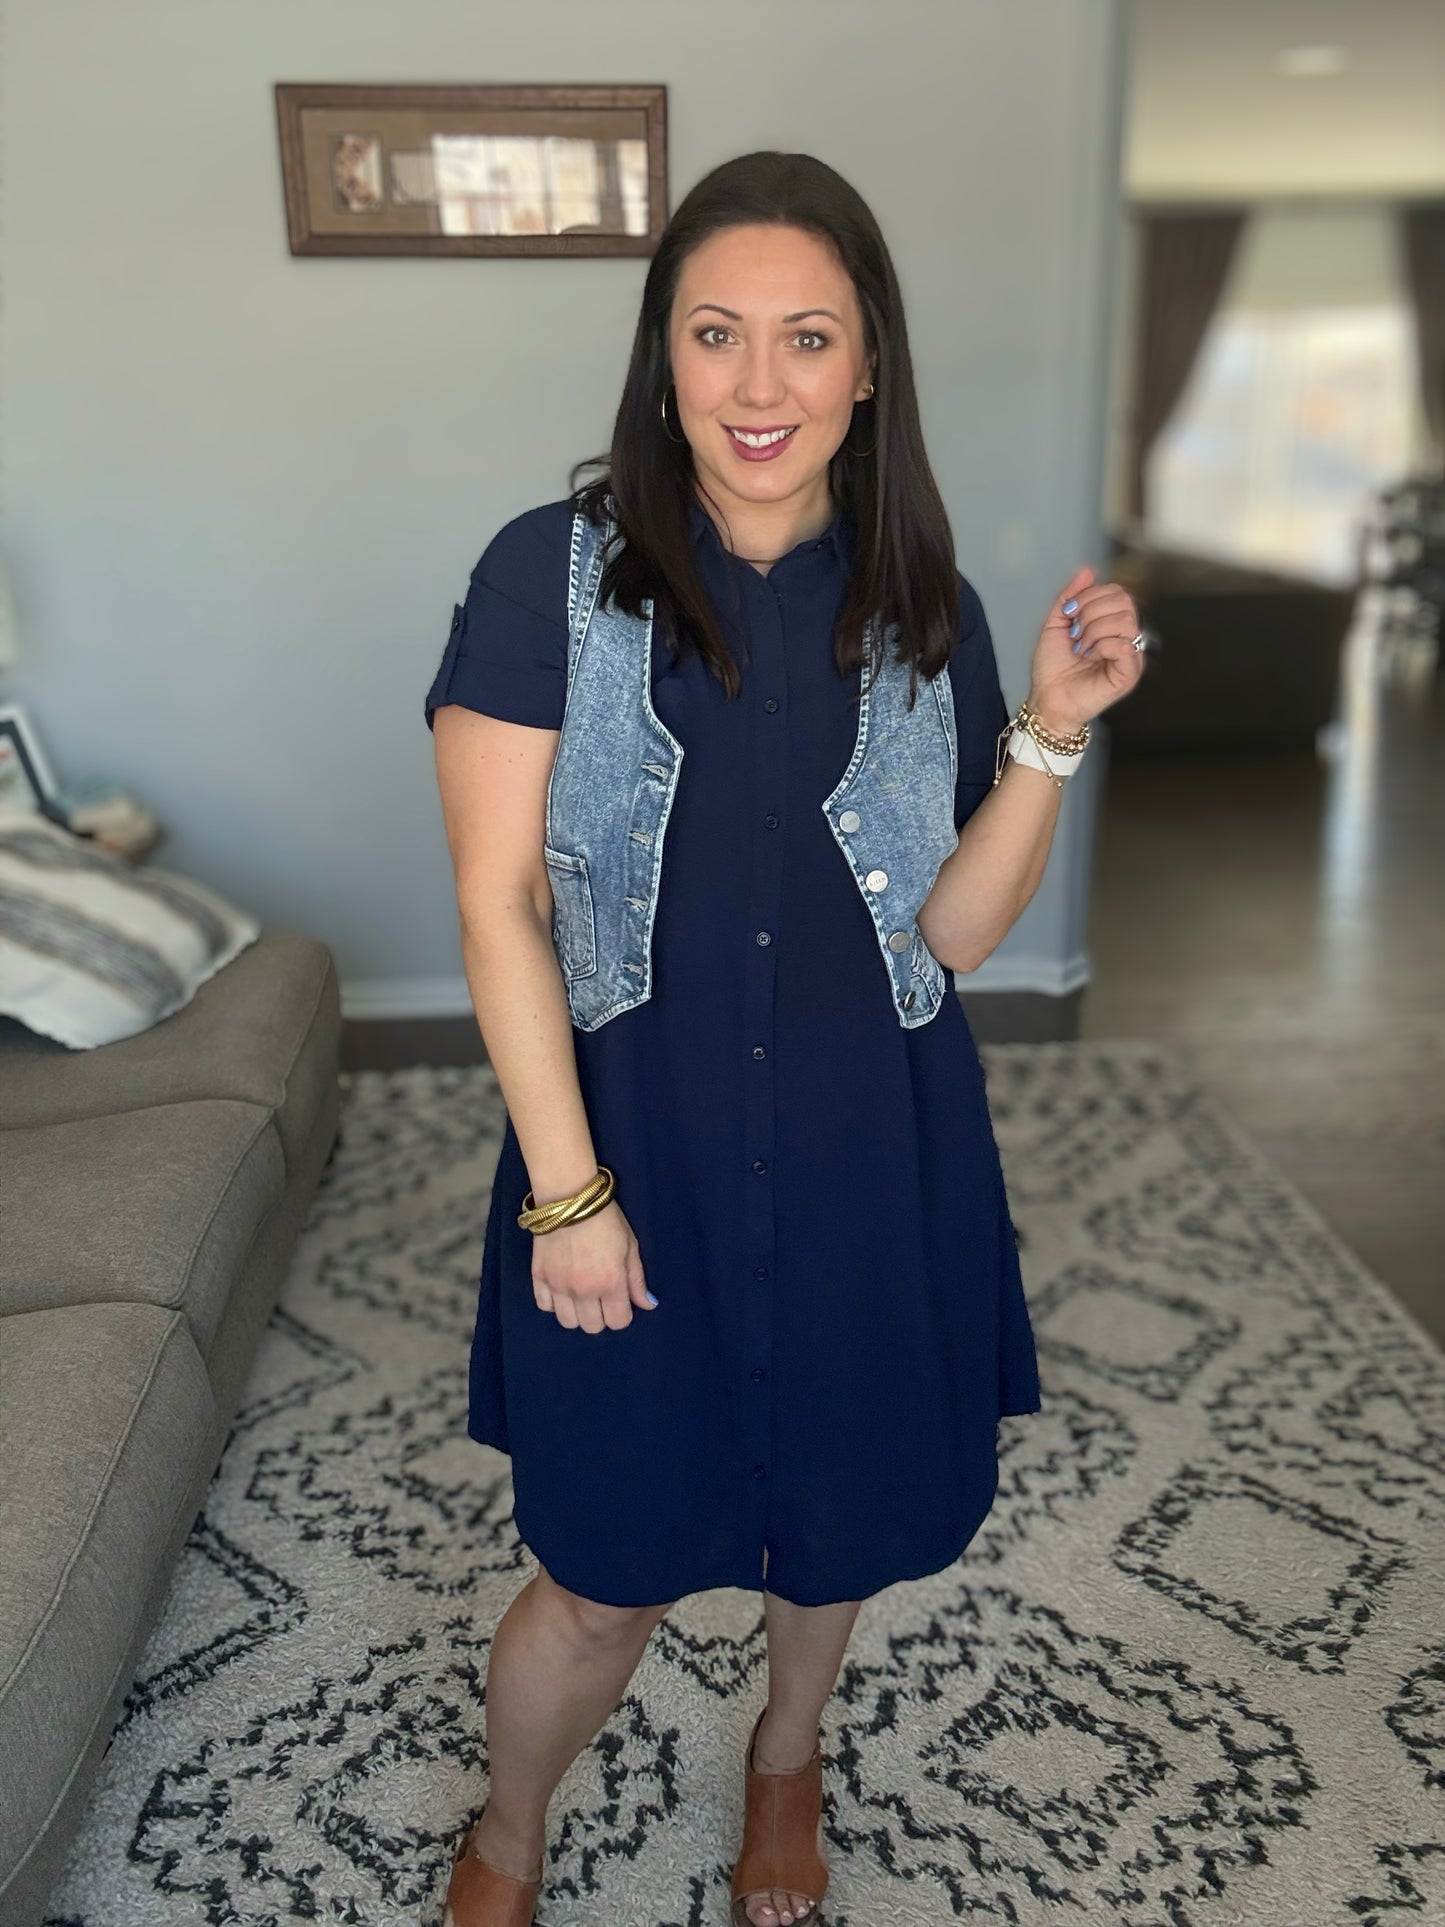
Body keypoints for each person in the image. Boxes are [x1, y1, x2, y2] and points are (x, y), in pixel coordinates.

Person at [425, 149, 1146, 1927]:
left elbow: (956, 930)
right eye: (717, 336)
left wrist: (1048, 734)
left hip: (865, 1145)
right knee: (598, 1580)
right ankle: (509, 1838)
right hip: (629, 1151)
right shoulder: (548, 580)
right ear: (661, 356)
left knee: (830, 1527)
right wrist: (569, 1200)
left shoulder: (926, 608)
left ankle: (781, 1755)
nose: (759, 388)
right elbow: (494, 904)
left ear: (865, 365)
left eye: (805, 339)